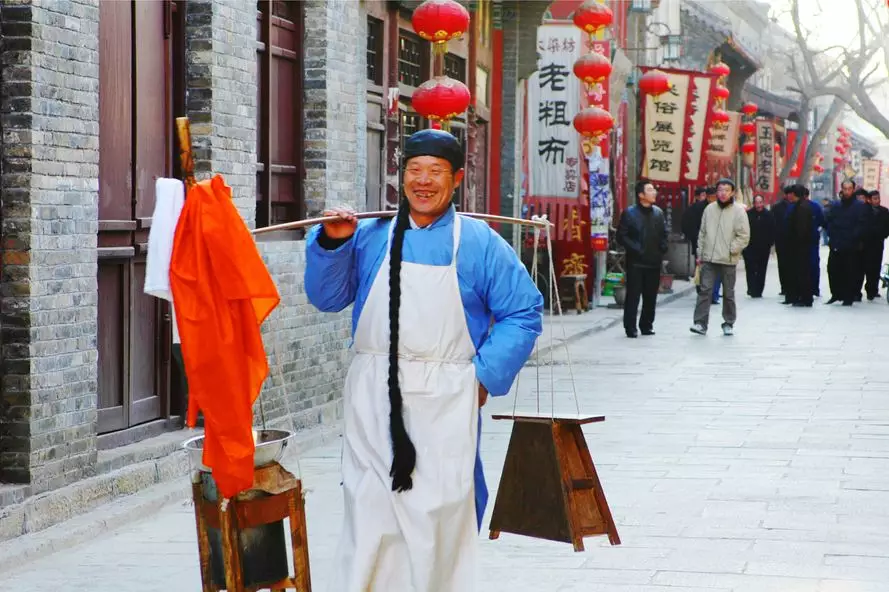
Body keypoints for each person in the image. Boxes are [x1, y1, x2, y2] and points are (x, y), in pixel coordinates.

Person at [304, 129, 543, 591]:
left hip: (445, 396)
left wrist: (483, 378)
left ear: (456, 179)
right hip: (372, 393)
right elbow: (327, 297)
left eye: (436, 172)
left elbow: (523, 311)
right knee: (369, 510)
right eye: (415, 170)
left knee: (437, 513)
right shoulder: (371, 235)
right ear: (401, 176)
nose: (424, 181)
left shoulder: (478, 241)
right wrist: (333, 244)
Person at [690, 178, 750, 336]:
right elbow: (702, 233)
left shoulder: (738, 211)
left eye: (726, 190)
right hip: (709, 258)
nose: (723, 193)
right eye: (720, 190)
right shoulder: (709, 209)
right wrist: (700, 253)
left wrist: (732, 249)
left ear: (732, 193)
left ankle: (728, 322)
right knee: (705, 291)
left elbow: (744, 236)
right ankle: (700, 323)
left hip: (728, 260)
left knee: (728, 293)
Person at [617, 180, 668, 338]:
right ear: (641, 195)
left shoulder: (658, 213)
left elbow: (663, 233)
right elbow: (621, 236)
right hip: (636, 262)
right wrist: (636, 249)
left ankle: (647, 325)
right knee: (633, 296)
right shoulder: (629, 213)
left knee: (650, 296)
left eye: (653, 190)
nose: (654, 192)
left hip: (654, 261)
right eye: (650, 190)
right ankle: (630, 327)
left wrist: (663, 247)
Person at [826, 180, 869, 306]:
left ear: (853, 190)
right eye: (845, 189)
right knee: (833, 269)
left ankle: (848, 297)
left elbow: (862, 225)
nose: (847, 191)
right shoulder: (836, 205)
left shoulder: (859, 206)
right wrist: (832, 236)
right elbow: (829, 221)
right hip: (836, 243)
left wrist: (854, 237)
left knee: (849, 271)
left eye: (849, 189)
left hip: (851, 244)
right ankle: (835, 294)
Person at [784, 185, 814, 307]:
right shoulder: (801, 206)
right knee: (800, 272)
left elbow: (801, 229)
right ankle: (800, 296)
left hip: (800, 246)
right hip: (800, 245)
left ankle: (804, 297)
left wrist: (795, 241)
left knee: (802, 272)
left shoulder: (802, 208)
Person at [742, 194, 775, 298]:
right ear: (754, 203)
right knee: (750, 268)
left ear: (763, 203)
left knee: (761, 269)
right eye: (757, 202)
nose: (759, 205)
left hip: (764, 247)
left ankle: (759, 290)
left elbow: (773, 230)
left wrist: (770, 243)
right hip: (750, 247)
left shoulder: (769, 215)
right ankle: (751, 288)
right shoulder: (748, 215)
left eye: (760, 202)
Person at [864, 190, 889, 300]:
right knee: (864, 266)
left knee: (875, 267)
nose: (877, 201)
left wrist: (884, 234)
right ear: (869, 200)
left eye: (878, 198)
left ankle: (873, 290)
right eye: (874, 198)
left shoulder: (884, 211)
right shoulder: (865, 211)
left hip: (878, 243)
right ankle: (860, 289)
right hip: (865, 243)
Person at [772, 187, 793, 296]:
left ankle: (791, 287)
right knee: (782, 264)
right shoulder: (777, 207)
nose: (790, 196)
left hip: (793, 241)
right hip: (781, 240)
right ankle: (784, 287)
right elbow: (773, 223)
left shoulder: (796, 206)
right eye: (788, 194)